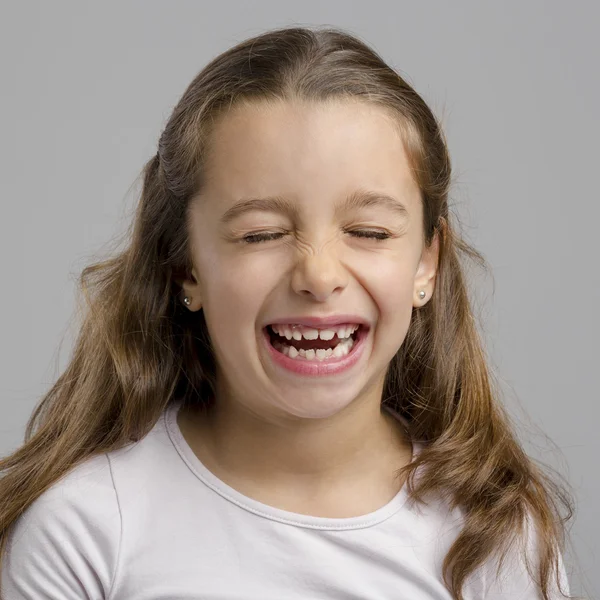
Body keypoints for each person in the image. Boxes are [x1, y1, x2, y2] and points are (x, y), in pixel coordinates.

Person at [0, 25, 576, 600]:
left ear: (427, 265)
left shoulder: (491, 535)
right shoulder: (85, 530)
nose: (319, 276)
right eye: (262, 234)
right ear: (186, 268)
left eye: (369, 231)